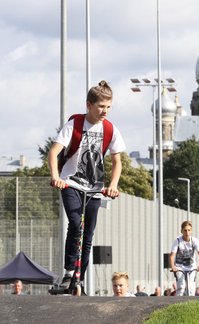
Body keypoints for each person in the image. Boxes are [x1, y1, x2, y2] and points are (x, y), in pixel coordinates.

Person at [48, 80, 126, 290]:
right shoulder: (74, 125)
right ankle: (68, 272)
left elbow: (117, 161)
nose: (105, 111)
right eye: (101, 106)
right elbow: (54, 152)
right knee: (75, 225)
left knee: (89, 235)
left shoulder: (110, 129)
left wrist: (113, 185)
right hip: (71, 183)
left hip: (95, 188)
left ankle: (79, 277)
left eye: (108, 107)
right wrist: (56, 176)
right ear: (89, 105)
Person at [170, 220, 199, 296]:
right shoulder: (177, 241)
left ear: (191, 231)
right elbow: (172, 255)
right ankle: (178, 304)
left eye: (189, 230)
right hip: (180, 267)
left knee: (191, 289)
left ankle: (191, 305)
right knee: (181, 287)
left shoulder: (194, 241)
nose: (187, 233)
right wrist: (173, 267)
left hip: (191, 266)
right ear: (181, 231)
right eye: (185, 230)